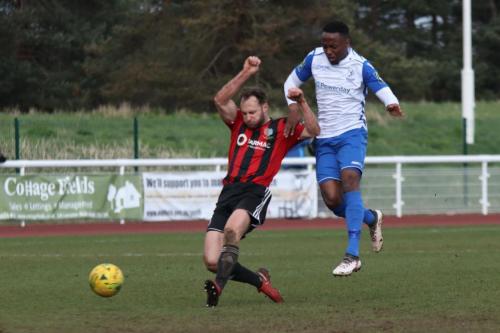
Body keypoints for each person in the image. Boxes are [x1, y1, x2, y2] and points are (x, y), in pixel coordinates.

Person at [283, 21, 403, 277]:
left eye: (333, 46)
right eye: (325, 45)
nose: (328, 50)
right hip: (323, 138)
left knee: (350, 181)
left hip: (352, 134)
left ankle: (352, 255)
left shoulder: (360, 65)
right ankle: (371, 218)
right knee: (333, 199)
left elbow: (380, 85)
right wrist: (292, 106)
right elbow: (290, 82)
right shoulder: (313, 59)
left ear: (347, 43)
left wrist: (391, 103)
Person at [204, 56, 320, 307]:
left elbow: (314, 130)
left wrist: (301, 101)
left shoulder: (282, 129)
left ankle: (218, 289)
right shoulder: (237, 123)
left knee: (232, 231)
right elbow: (220, 100)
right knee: (212, 261)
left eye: (252, 112)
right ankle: (259, 281)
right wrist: (246, 71)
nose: (247, 117)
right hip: (229, 191)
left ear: (265, 107)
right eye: (244, 112)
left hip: (255, 191)